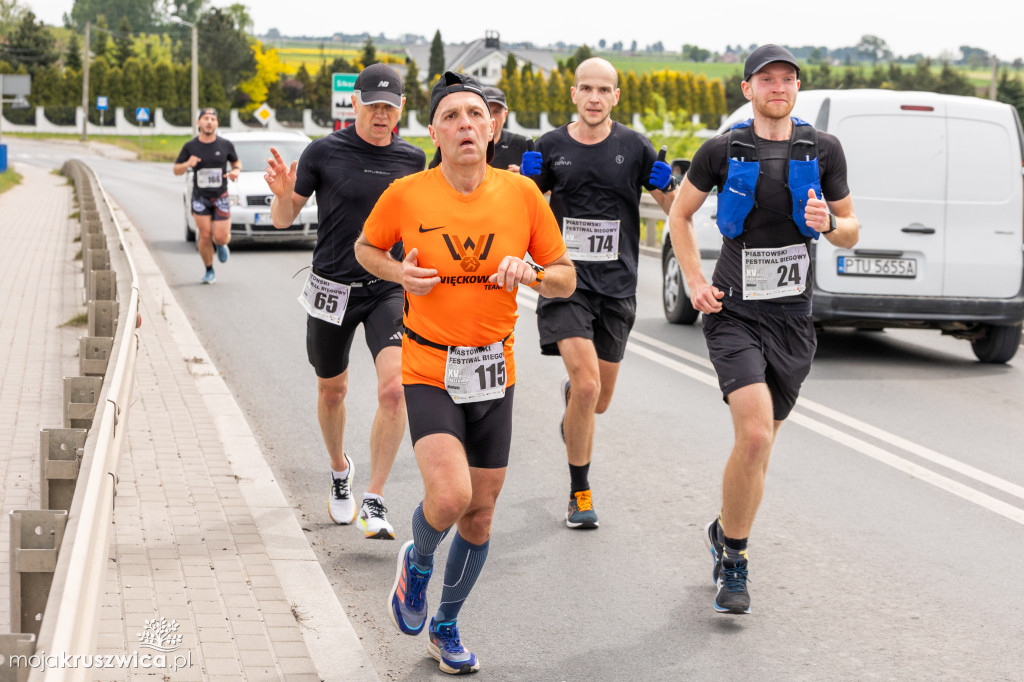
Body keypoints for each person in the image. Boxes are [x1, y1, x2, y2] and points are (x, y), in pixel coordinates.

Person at [355, 71, 575, 675]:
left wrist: (530, 272)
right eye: (452, 117)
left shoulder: (523, 196)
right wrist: (399, 274)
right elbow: (366, 249)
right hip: (429, 365)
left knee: (481, 512)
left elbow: (565, 276)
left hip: (493, 373)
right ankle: (417, 564)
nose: (466, 126)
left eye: (476, 115)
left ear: (493, 126)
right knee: (450, 495)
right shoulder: (407, 194)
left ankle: (446, 627)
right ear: (434, 131)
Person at [668, 44, 859, 614]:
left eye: (788, 79)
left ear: (797, 89)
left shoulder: (823, 149)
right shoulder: (722, 150)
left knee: (761, 444)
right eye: (767, 79)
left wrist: (832, 226)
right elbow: (678, 215)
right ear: (748, 88)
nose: (779, 87)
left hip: (793, 320)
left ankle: (724, 527)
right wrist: (696, 281)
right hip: (734, 313)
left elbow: (852, 228)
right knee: (753, 435)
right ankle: (735, 561)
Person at [262, 63, 426, 539]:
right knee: (332, 390)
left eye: (389, 107)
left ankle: (373, 497)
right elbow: (283, 218)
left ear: (399, 111)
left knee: (395, 389)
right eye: (372, 104)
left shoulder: (413, 160)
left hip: (386, 287)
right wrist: (282, 196)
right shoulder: (323, 152)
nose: (380, 114)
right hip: (331, 289)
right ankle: (340, 472)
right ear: (353, 103)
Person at [520, 57, 676, 529]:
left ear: (615, 97)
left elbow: (673, 208)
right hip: (564, 282)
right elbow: (526, 208)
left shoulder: (635, 146)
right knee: (588, 385)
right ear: (573, 95)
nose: (594, 97)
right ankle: (580, 494)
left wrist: (668, 185)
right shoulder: (550, 147)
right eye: (585, 88)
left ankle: (575, 403)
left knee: (596, 399)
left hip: (617, 286)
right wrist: (525, 181)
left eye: (603, 90)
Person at [172, 108, 240, 284]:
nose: (209, 122)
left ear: (217, 123)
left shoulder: (225, 145)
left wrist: (235, 171)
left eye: (212, 119)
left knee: (220, 236)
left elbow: (236, 163)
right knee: (204, 235)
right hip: (200, 197)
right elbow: (176, 170)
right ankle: (209, 270)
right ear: (198, 123)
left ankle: (221, 244)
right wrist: (188, 163)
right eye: (205, 118)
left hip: (221, 196)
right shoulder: (190, 146)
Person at [427, 85, 533, 172]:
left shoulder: (521, 144)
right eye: (477, 113)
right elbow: (433, 178)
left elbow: (544, 186)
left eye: (497, 112)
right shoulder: (456, 147)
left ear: (505, 116)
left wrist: (524, 176)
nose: (492, 117)